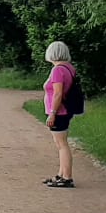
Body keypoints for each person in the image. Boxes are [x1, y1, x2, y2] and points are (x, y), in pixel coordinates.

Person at [41, 41, 76, 188]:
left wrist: (52, 113)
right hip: (65, 110)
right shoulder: (68, 67)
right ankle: (61, 174)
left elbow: (58, 93)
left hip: (59, 111)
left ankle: (67, 177)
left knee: (62, 144)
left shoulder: (57, 70)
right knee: (60, 144)